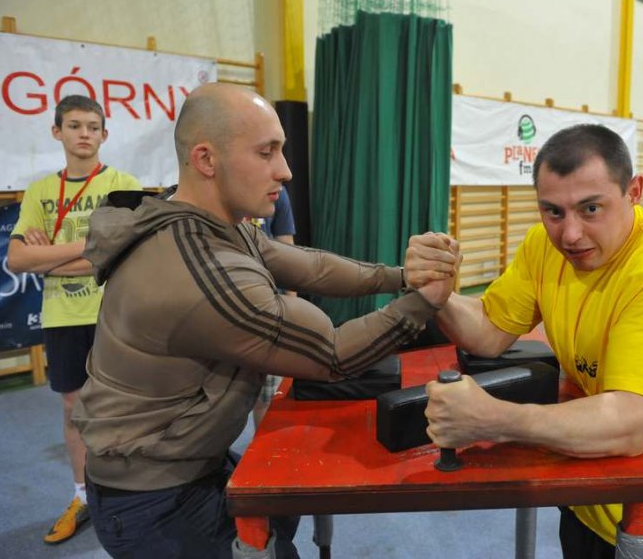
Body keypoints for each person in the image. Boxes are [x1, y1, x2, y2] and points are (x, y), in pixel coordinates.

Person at [71, 82, 457, 558]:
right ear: (207, 160)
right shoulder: (201, 271)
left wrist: (402, 276)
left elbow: (310, 266)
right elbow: (331, 353)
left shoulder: (210, 222)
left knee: (281, 512)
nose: (286, 170)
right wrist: (425, 300)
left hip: (181, 465)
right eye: (266, 152)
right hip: (154, 501)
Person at [417, 124, 643, 558]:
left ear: (634, 191)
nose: (570, 235)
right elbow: (488, 331)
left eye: (591, 209)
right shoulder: (545, 245)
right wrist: (439, 296)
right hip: (583, 484)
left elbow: (629, 425)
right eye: (553, 211)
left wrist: (495, 420)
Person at [7, 95, 142, 545]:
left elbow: (123, 252)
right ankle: (83, 494)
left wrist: (47, 258)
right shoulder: (40, 192)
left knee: (125, 403)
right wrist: (89, 250)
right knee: (74, 408)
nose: (84, 133)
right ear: (57, 132)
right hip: (62, 316)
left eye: (92, 126)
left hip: (115, 313)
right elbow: (17, 258)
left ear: (105, 134)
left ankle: (133, 489)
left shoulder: (124, 184)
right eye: (74, 125)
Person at [248, 187, 297, 427]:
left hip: (268, 310)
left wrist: (292, 305)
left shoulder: (278, 192)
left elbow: (287, 250)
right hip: (223, 312)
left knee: (267, 398)